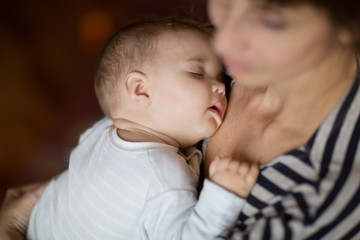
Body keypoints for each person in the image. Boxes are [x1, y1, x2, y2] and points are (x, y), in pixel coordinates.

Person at [1, 0, 360, 239]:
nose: (224, 44)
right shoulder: (202, 60)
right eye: (224, 7)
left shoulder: (331, 193)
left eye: (268, 19)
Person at [25, 18, 259, 240]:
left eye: (219, 77)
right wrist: (223, 195)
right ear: (140, 90)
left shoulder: (98, 132)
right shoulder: (162, 175)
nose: (220, 86)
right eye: (197, 73)